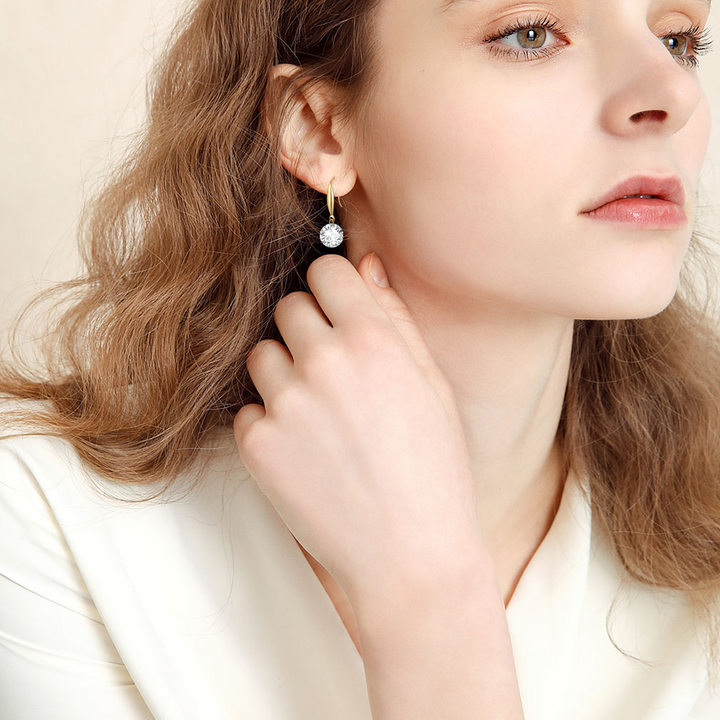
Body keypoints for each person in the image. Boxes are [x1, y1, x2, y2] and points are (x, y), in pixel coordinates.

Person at [1, 0, 720, 717]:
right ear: (316, 127)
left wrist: (427, 596)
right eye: (530, 34)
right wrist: (430, 599)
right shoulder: (49, 525)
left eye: (678, 40)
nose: (672, 92)